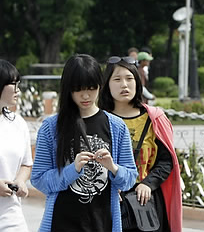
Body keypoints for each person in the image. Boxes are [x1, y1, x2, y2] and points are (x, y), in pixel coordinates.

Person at [31, 54, 138, 232]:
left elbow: (129, 180)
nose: (86, 95)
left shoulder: (117, 126)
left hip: (103, 223)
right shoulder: (51, 127)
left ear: (100, 85)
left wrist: (113, 167)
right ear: (68, 89)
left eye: (91, 88)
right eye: (78, 89)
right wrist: (72, 170)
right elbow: (39, 179)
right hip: (61, 224)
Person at [99, 56, 182, 232]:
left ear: (137, 82)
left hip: (145, 201)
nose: (124, 85)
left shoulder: (154, 119)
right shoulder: (99, 120)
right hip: (108, 202)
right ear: (106, 84)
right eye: (117, 79)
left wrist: (148, 183)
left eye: (129, 79)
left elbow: (166, 161)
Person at [0, 60, 32, 232]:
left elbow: (27, 163)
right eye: (13, 84)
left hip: (12, 217)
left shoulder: (18, 123)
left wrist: (20, 181)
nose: (18, 89)